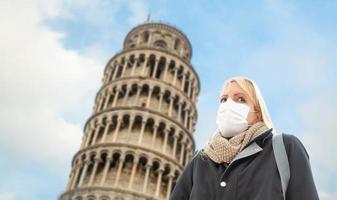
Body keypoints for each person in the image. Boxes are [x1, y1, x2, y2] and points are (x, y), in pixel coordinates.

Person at [169, 76, 319, 200]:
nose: (228, 105)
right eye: (223, 99)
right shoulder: (200, 161)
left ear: (257, 113)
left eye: (240, 99)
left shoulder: (285, 149)